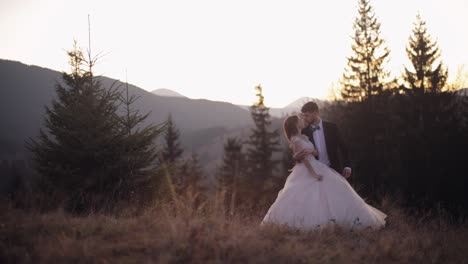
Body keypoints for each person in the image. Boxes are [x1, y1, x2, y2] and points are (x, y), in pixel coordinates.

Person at [261, 115, 386, 230]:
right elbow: (304, 160)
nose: (302, 119)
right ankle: (307, 224)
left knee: (338, 188)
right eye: (299, 119)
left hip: (317, 165)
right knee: (308, 197)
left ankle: (345, 219)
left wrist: (311, 152)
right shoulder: (295, 139)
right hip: (308, 169)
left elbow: (314, 152)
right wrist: (313, 174)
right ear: (295, 124)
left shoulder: (303, 136)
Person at [298, 101, 351, 178]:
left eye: (307, 115)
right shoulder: (304, 132)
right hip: (315, 173)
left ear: (315, 113)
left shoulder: (332, 127)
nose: (305, 118)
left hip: (334, 170)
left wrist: (347, 166)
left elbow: (343, 147)